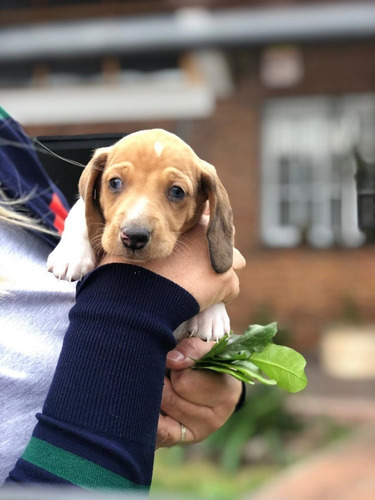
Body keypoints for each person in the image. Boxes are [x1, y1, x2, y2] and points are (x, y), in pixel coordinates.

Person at [0, 108, 244, 491]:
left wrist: (211, 316)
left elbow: (215, 254)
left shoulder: (8, 145)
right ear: (96, 182)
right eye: (116, 184)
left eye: (175, 192)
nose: (136, 220)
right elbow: (83, 210)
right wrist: (77, 241)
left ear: (204, 201)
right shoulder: (77, 197)